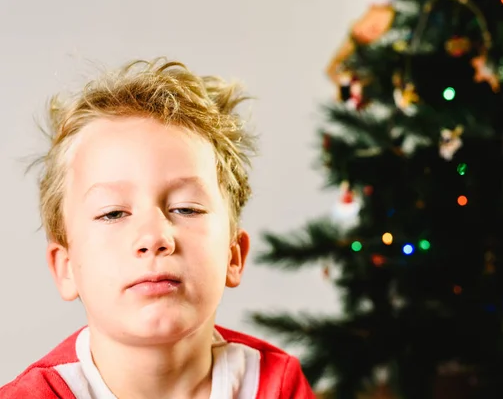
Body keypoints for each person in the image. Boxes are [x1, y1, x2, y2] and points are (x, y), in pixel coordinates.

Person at [0, 58, 314, 399]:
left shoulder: (274, 384)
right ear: (65, 267)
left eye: (185, 208)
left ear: (233, 256)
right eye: (113, 214)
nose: (154, 238)